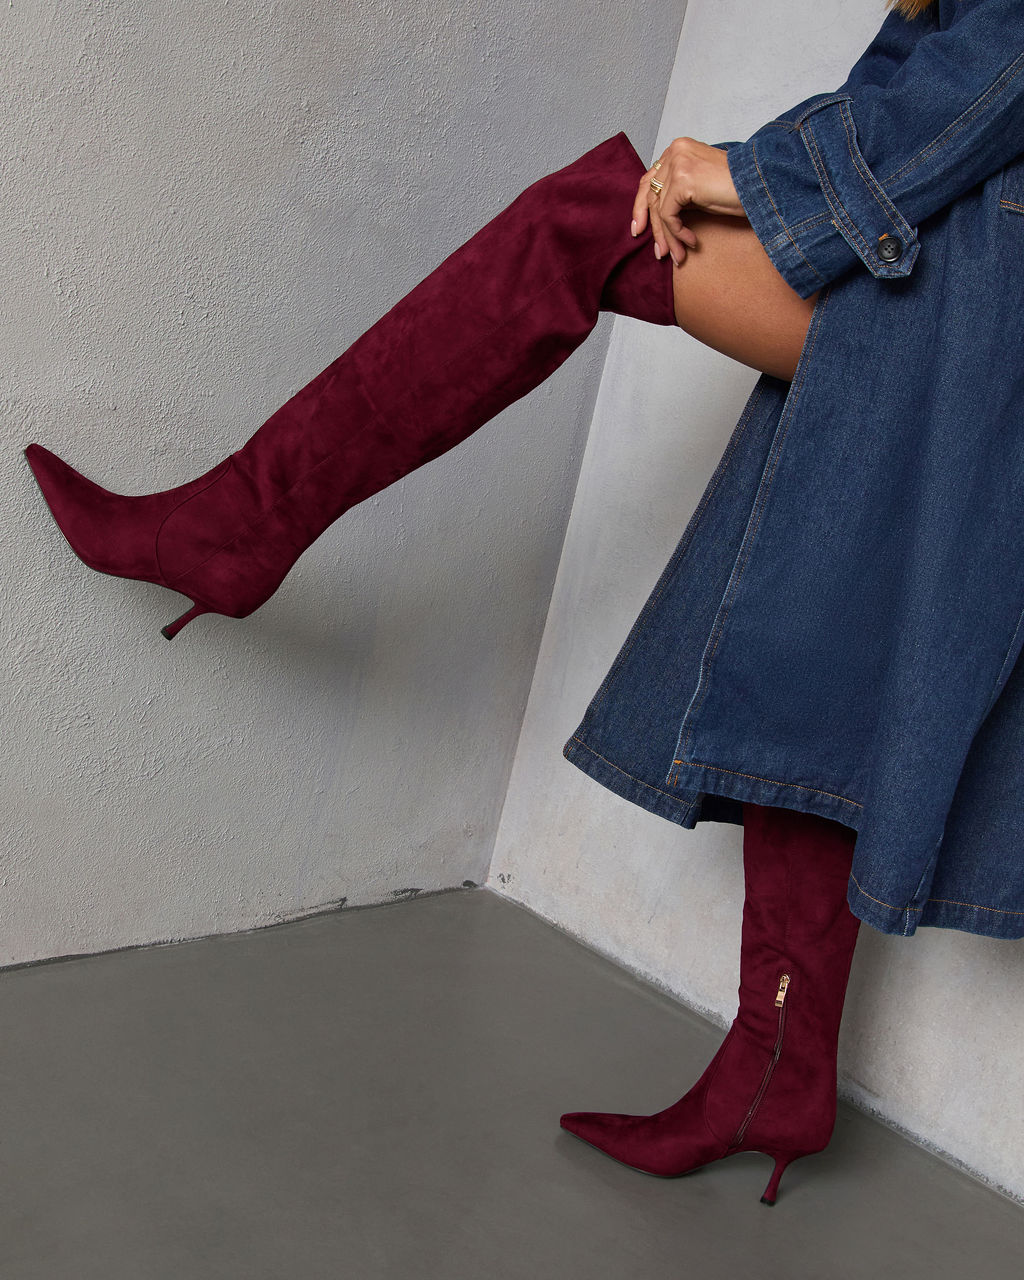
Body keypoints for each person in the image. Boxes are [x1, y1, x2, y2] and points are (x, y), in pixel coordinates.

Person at [22, 0, 1024, 1203]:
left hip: (974, 303)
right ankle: (778, 1070)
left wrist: (753, 177)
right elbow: (906, 88)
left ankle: (234, 527)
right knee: (814, 653)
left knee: (578, 223)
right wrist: (732, 176)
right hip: (937, 272)